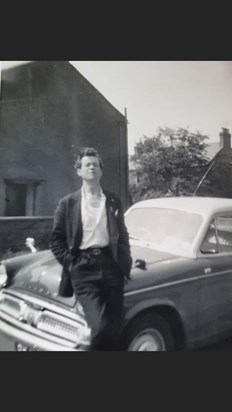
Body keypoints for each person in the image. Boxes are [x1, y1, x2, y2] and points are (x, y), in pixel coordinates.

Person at [50, 147, 132, 351]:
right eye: (87, 164)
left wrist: (125, 261)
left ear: (101, 171)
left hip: (112, 266)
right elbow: (55, 240)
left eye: (96, 164)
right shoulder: (67, 203)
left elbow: (122, 234)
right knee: (100, 326)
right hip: (84, 269)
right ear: (79, 171)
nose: (92, 167)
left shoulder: (113, 200)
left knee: (114, 326)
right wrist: (72, 264)